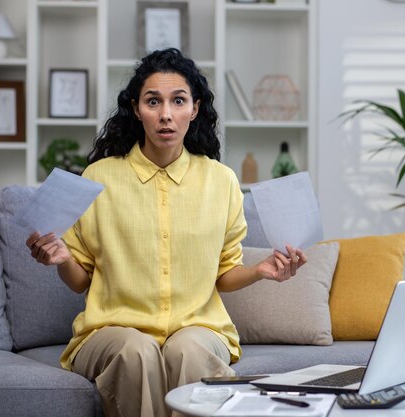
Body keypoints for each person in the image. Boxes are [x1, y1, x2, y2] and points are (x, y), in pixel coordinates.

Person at [26, 48, 307, 417]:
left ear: (195, 108)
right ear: (135, 107)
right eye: (153, 101)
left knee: (187, 351)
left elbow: (224, 274)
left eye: (178, 101)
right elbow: (81, 281)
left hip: (200, 329)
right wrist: (61, 258)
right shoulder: (98, 178)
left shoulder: (221, 182)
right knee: (137, 351)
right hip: (112, 331)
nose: (165, 115)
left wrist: (261, 270)